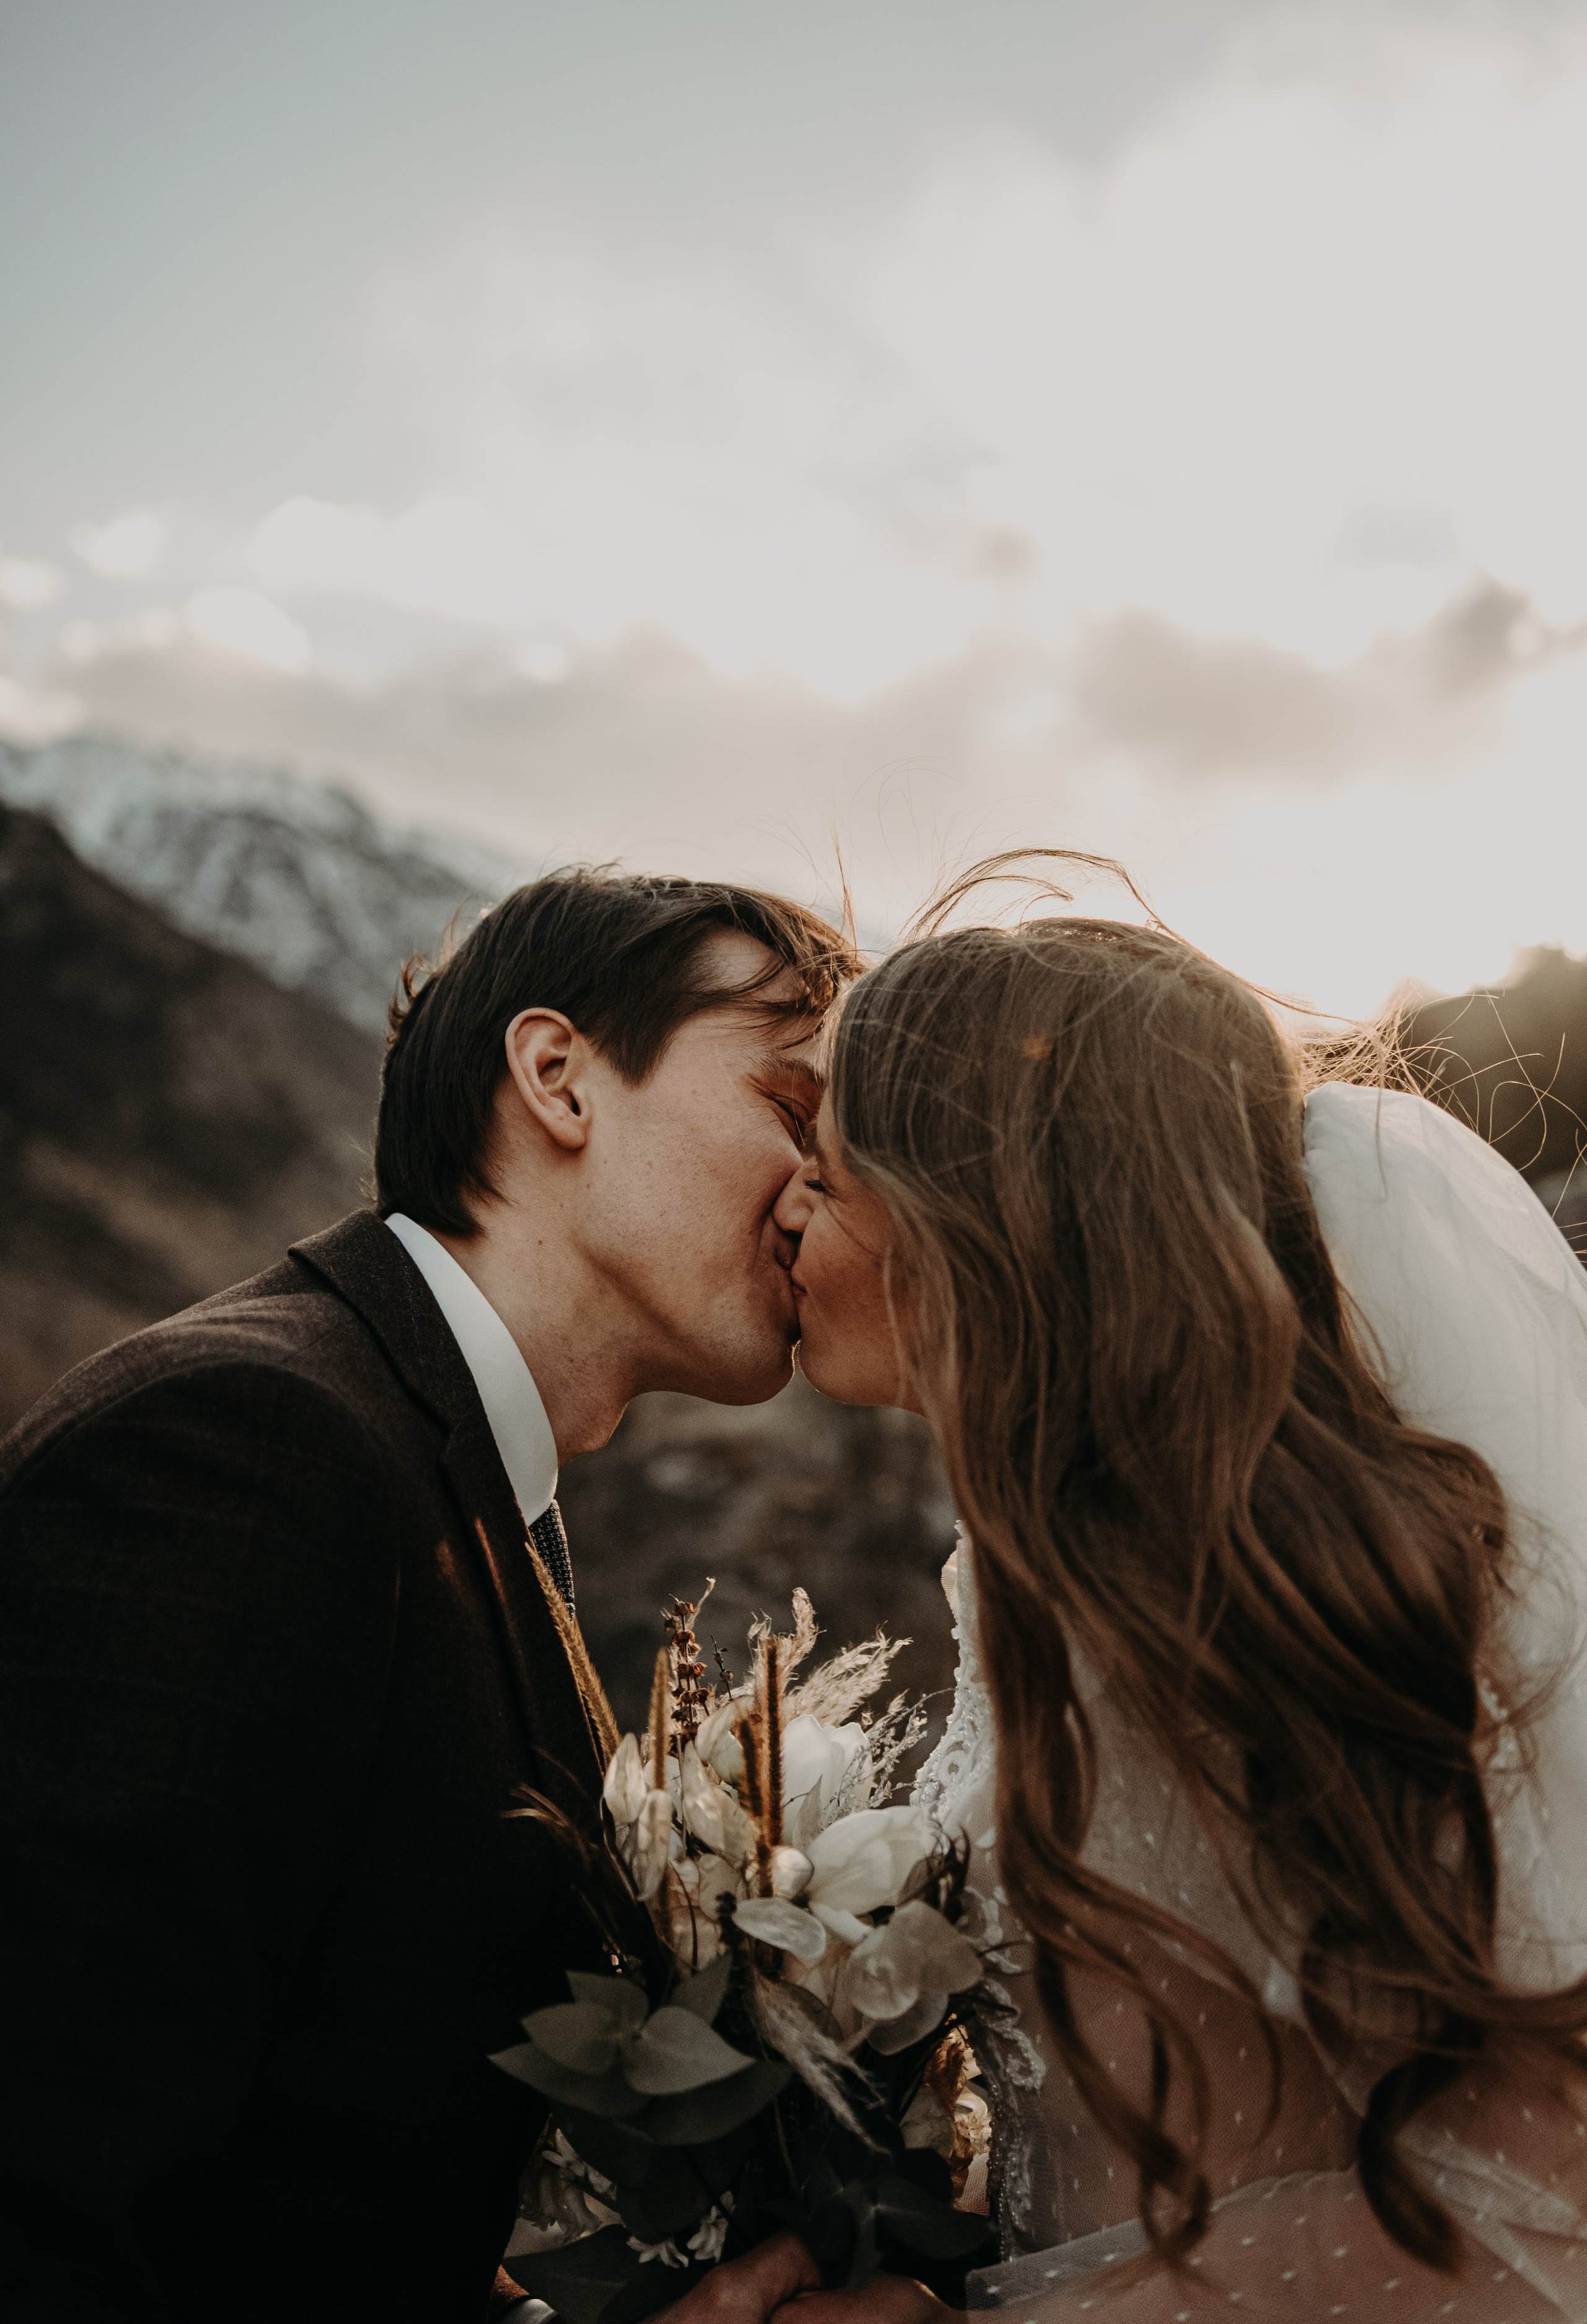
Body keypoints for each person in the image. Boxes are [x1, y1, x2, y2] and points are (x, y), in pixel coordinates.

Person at [685, 880, 1587, 2324]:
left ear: (980, 1209)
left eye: (831, 1162)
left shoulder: (1233, 1612)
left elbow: (1540, 2205)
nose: (786, 1201)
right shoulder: (1033, 1572)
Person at [0, 866, 858, 2324]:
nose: (820, 1188)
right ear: (556, 1078)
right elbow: (52, 2198)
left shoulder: (449, 1480)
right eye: (791, 1110)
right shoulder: (244, 1450)